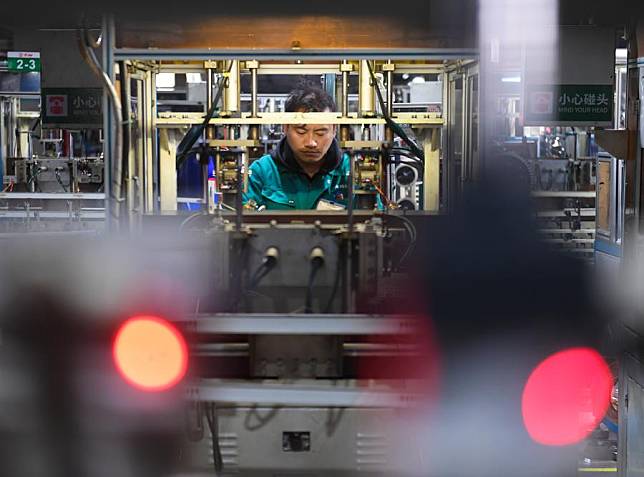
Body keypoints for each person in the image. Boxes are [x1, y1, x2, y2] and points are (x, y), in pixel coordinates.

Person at [243, 86, 351, 210]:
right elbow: (236, 219)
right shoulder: (262, 172)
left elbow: (373, 220)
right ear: (285, 128)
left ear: (335, 130)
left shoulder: (351, 172)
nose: (311, 143)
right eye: (301, 131)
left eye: (321, 132)